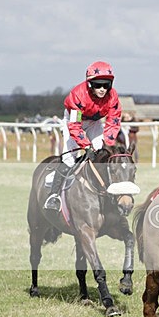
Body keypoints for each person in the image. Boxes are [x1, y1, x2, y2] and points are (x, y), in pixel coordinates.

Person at [44, 61, 122, 211]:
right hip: (74, 122)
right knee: (69, 159)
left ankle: (107, 194)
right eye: (98, 85)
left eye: (106, 85)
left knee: (101, 154)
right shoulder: (78, 96)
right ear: (90, 84)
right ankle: (54, 196)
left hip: (94, 122)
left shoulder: (113, 97)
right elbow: (74, 126)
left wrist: (108, 142)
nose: (102, 89)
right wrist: (85, 145)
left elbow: (114, 121)